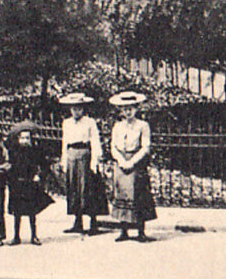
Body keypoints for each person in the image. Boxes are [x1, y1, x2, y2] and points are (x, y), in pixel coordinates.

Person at [108, 91, 157, 242]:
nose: (128, 112)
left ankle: (141, 232)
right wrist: (121, 161)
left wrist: (132, 162)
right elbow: (113, 146)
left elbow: (145, 147)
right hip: (121, 163)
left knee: (138, 195)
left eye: (131, 108)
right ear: (121, 110)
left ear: (137, 109)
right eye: (125, 108)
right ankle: (124, 231)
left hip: (136, 162)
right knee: (122, 194)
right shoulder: (118, 126)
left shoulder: (143, 125)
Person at [59, 92, 107, 235]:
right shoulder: (66, 123)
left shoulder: (90, 122)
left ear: (83, 108)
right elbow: (65, 142)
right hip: (72, 155)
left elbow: (95, 141)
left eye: (79, 108)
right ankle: (77, 222)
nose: (76, 111)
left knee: (88, 187)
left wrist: (95, 160)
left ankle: (93, 223)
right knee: (74, 188)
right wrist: (64, 160)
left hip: (85, 154)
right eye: (73, 108)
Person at [5, 125, 52, 245]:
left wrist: (39, 175)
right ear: (18, 139)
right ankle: (16, 236)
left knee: (32, 211)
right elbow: (8, 166)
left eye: (27, 138)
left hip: (30, 183)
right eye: (23, 138)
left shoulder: (35, 151)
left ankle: (34, 236)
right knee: (17, 211)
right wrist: (10, 179)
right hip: (17, 183)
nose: (25, 141)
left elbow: (45, 165)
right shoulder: (13, 151)